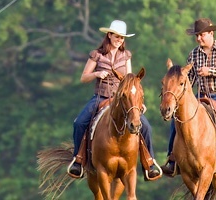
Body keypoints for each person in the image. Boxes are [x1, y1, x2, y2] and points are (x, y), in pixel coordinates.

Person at [67, 19, 162, 180]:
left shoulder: (126, 56)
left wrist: (137, 102)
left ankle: (149, 162)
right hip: (101, 97)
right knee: (79, 122)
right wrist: (96, 74)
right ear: (109, 35)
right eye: (117, 37)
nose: (120, 40)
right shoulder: (96, 55)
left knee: (145, 126)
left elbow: (131, 80)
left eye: (122, 38)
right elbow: (83, 77)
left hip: (123, 100)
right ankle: (78, 160)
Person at [161, 18, 216, 180]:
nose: (199, 38)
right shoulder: (193, 54)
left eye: (202, 35)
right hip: (201, 97)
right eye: (197, 36)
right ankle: (172, 158)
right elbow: (189, 80)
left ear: (211, 33)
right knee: (176, 120)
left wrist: (211, 71)